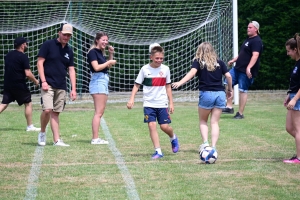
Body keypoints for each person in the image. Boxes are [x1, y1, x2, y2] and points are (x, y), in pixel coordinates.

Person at [172, 42, 232, 157]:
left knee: (203, 121)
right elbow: (229, 76)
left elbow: (193, 72)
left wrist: (180, 82)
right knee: (214, 122)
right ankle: (213, 147)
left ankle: (205, 144)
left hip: (207, 94)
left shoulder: (198, 61)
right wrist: (230, 90)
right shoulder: (220, 62)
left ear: (200, 51)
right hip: (220, 94)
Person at [127, 43, 179, 159]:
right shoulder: (144, 69)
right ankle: (158, 151)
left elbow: (168, 87)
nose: (159, 60)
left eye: (161, 58)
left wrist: (171, 103)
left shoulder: (166, 69)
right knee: (151, 125)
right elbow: (136, 85)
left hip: (162, 103)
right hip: (148, 103)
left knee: (164, 127)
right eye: (157, 58)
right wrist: (131, 99)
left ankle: (173, 138)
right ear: (151, 57)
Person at [37, 23, 77, 146]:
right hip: (47, 83)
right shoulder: (48, 45)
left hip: (61, 85)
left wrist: (73, 89)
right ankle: (42, 132)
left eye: (69, 35)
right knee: (48, 110)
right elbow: (40, 63)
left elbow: (71, 69)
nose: (66, 37)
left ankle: (56, 140)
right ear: (59, 33)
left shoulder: (69, 51)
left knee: (56, 112)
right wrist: (43, 81)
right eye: (64, 34)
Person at [222, 21, 263, 119]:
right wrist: (234, 60)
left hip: (246, 72)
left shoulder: (257, 41)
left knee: (242, 90)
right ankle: (229, 107)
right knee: (227, 81)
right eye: (247, 27)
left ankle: (240, 113)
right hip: (237, 69)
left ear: (256, 29)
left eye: (250, 27)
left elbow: (255, 55)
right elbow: (242, 54)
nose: (248, 29)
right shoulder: (248, 39)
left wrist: (248, 68)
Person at [0, 37, 40, 131]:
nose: (27, 45)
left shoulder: (8, 55)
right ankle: (30, 126)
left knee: (4, 104)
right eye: (26, 44)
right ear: (22, 45)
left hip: (8, 84)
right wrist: (36, 81)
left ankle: (30, 126)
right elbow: (28, 74)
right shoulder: (23, 57)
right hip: (18, 85)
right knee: (28, 103)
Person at [87, 32, 117, 145]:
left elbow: (107, 66)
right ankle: (95, 138)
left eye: (106, 40)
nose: (105, 42)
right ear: (97, 40)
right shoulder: (92, 52)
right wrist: (109, 61)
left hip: (103, 80)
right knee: (98, 113)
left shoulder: (100, 52)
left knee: (100, 112)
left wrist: (110, 55)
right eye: (103, 40)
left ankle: (96, 138)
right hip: (98, 81)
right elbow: (96, 67)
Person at [283, 33, 300, 164]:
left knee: (298, 129)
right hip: (294, 96)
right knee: (289, 127)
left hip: (298, 99)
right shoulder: (297, 64)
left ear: (295, 49)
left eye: (289, 51)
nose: (287, 54)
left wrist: (295, 99)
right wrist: (290, 95)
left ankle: (298, 158)